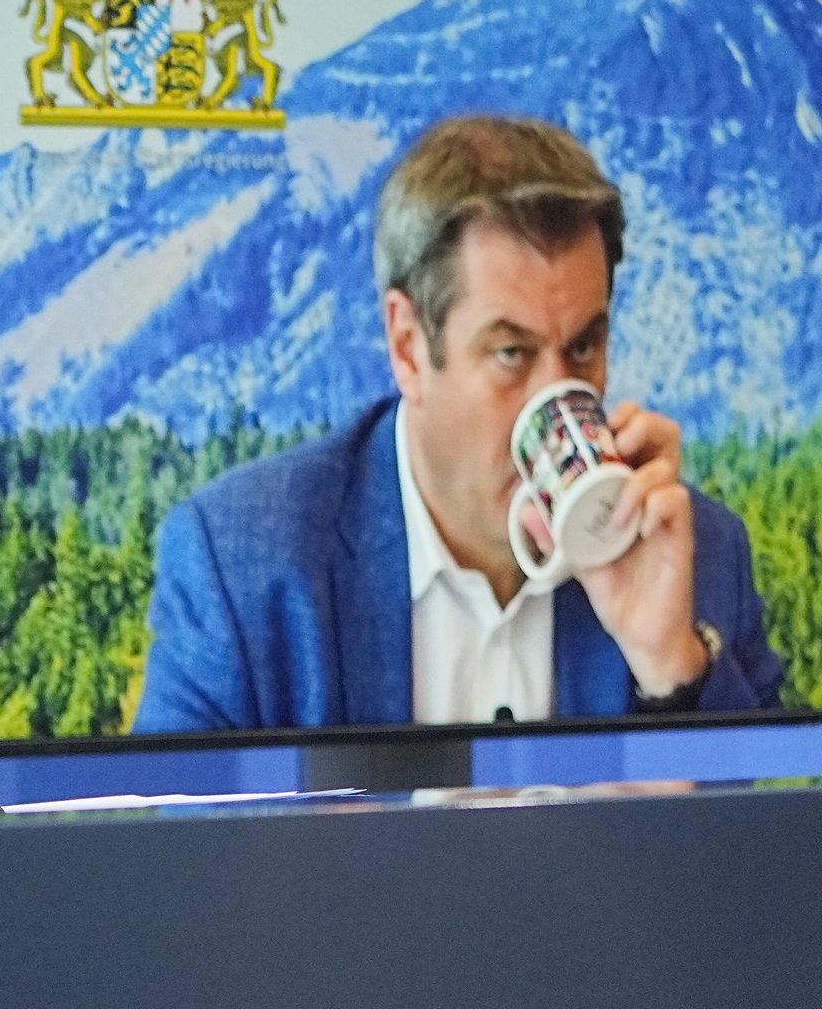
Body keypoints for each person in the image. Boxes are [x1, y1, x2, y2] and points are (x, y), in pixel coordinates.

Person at [136, 116, 783, 732]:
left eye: (583, 348)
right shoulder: (246, 567)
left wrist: (669, 669)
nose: (558, 399)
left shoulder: (698, 557)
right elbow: (179, 844)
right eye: (511, 354)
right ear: (409, 347)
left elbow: (766, 840)